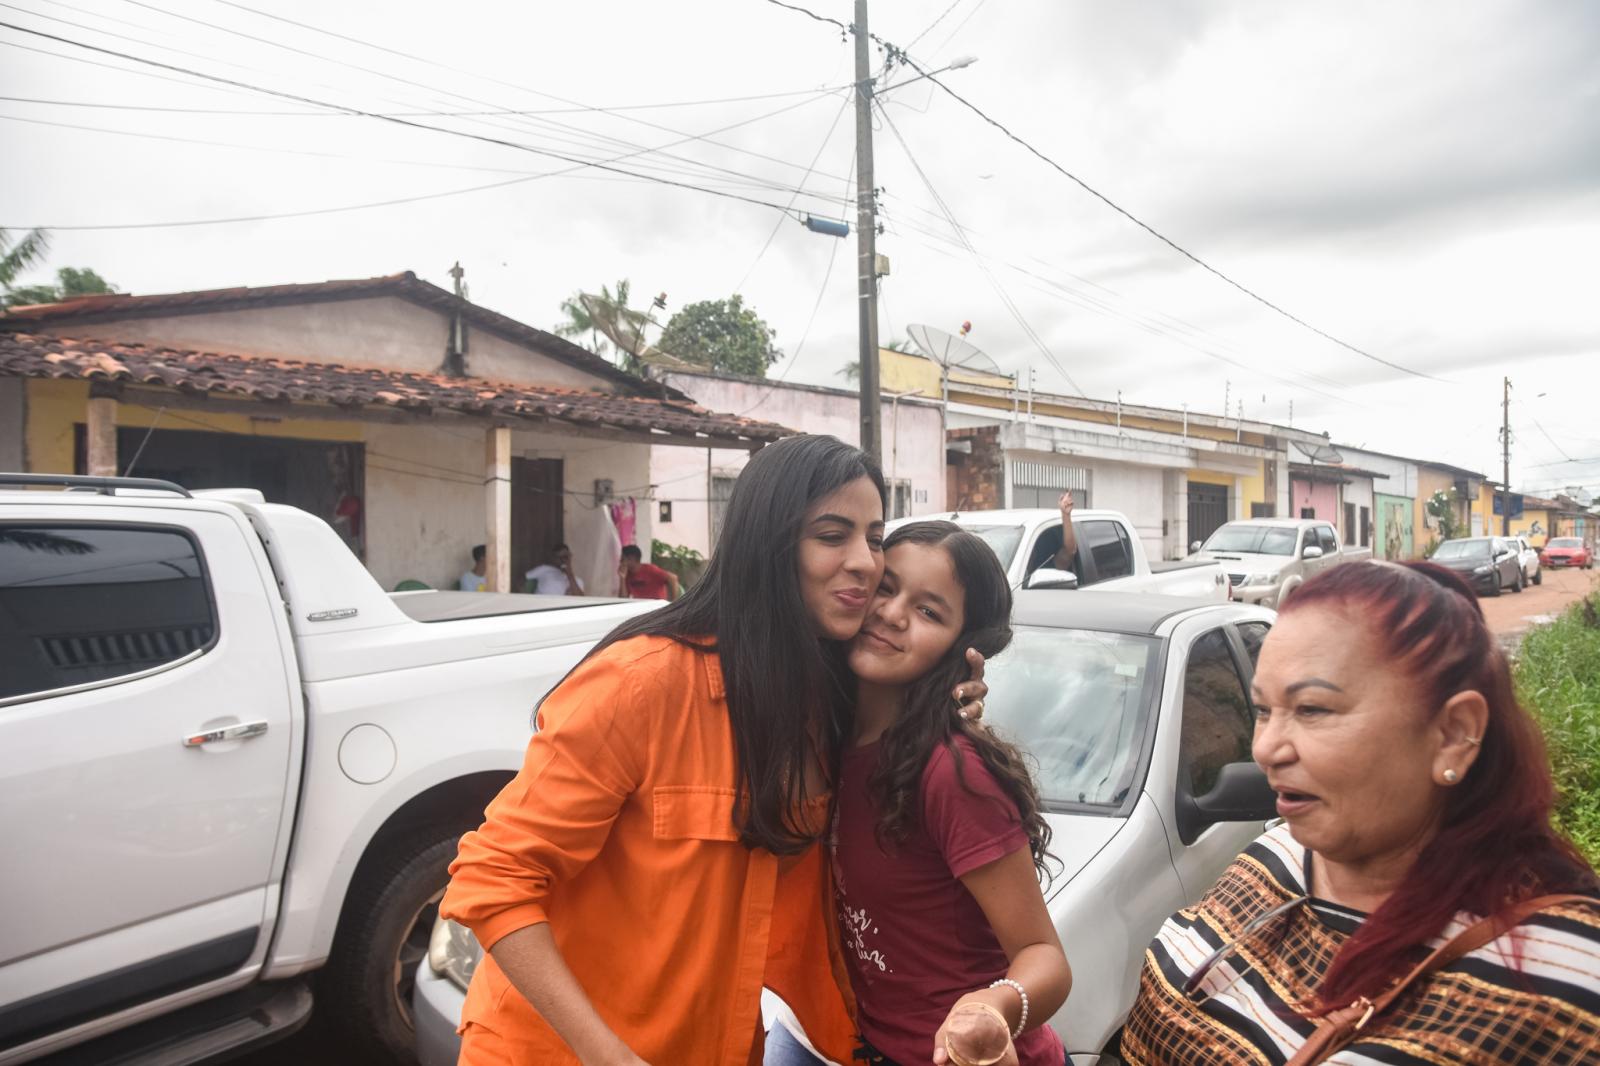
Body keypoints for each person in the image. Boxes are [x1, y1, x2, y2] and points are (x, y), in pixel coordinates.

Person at [439, 435, 990, 1066]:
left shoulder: (827, 698)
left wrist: (943, 700)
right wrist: (606, 1055)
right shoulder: (640, 683)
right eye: (832, 535)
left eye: (873, 536)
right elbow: (494, 878)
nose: (865, 561)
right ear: (769, 543)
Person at [1121, 561, 1600, 1065]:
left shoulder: (1559, 979)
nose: (1266, 749)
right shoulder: (1272, 857)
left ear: (1453, 735)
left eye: (1312, 710)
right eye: (1263, 710)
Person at [767, 521, 1070, 1066]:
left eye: (930, 611)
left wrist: (993, 1009)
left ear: (963, 648)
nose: (892, 613)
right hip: (848, 1042)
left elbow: (1043, 956)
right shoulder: (823, 739)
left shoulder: (951, 773)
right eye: (886, 587)